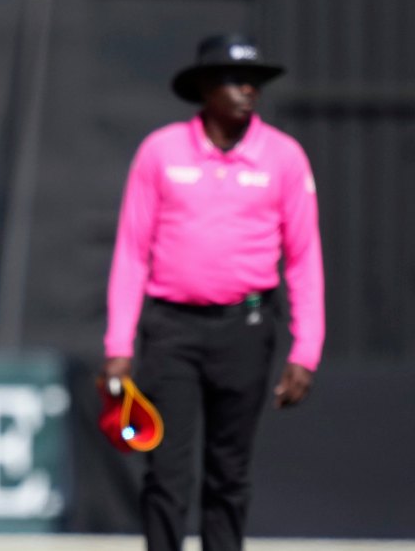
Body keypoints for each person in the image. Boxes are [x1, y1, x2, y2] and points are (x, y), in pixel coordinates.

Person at [102, 33, 325, 551]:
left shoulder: (284, 157)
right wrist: (118, 345)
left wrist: (306, 349)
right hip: (171, 330)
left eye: (255, 82)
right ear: (204, 87)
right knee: (166, 471)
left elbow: (304, 257)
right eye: (234, 80)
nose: (248, 90)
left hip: (246, 329)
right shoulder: (161, 151)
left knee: (229, 472)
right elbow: (132, 251)